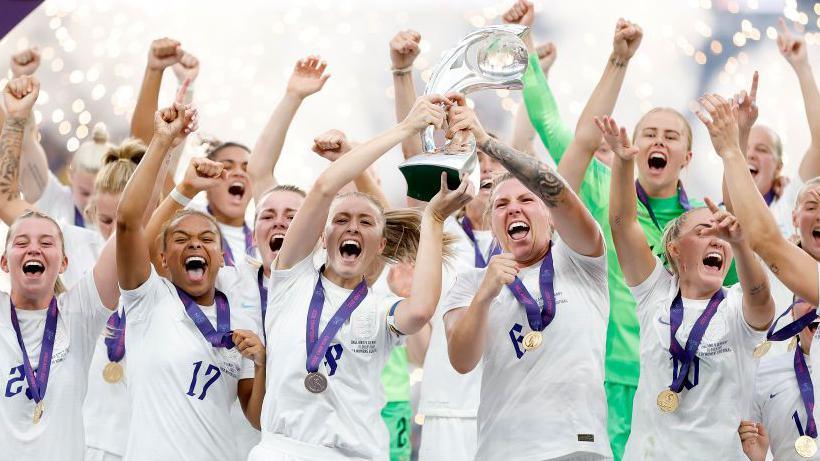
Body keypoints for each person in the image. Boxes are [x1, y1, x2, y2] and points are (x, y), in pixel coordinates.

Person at [248, 94, 472, 460]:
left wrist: (432, 220)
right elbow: (322, 188)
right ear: (322, 237)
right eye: (340, 220)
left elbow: (419, 312)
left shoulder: (380, 308)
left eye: (365, 222)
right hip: (283, 450)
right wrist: (404, 129)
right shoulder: (291, 279)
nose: (352, 227)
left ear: (380, 244)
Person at [443, 99, 611, 460]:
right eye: (501, 204)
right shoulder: (471, 283)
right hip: (501, 449)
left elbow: (559, 191)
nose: (514, 208)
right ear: (493, 221)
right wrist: (484, 296)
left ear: (549, 216)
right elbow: (461, 360)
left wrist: (487, 143)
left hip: (576, 446)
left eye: (526, 199)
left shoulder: (582, 260)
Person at [602, 113, 775, 460]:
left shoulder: (736, 308)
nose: (717, 240)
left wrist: (741, 243)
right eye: (703, 231)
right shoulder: (655, 294)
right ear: (675, 249)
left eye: (721, 234)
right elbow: (622, 224)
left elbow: (761, 297)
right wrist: (623, 163)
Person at [116, 101, 266, 461]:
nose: (196, 243)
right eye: (181, 240)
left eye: (207, 239)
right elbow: (127, 223)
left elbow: (257, 417)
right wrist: (181, 181)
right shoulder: (148, 298)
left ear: (220, 258)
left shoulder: (240, 322)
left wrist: (262, 362)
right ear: (163, 259)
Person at [388, 28, 507, 461]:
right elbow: (412, 154)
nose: (487, 167)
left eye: (494, 156)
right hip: (449, 409)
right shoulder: (443, 230)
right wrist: (403, 73)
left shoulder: (526, 236)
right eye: (476, 158)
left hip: (513, 405)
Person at [0, 75, 120, 461]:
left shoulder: (163, 251)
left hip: (128, 433)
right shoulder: (73, 237)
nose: (35, 247)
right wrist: (16, 120)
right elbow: (5, 197)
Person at [725, 19, 820, 238]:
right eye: (746, 146)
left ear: (778, 167)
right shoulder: (720, 211)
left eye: (762, 149)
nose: (751, 154)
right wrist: (740, 129)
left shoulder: (792, 204)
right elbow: (735, 192)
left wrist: (802, 67)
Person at [739, 298, 818, 461]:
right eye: (806, 296)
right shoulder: (760, 374)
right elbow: (742, 449)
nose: (817, 305)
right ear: (792, 312)